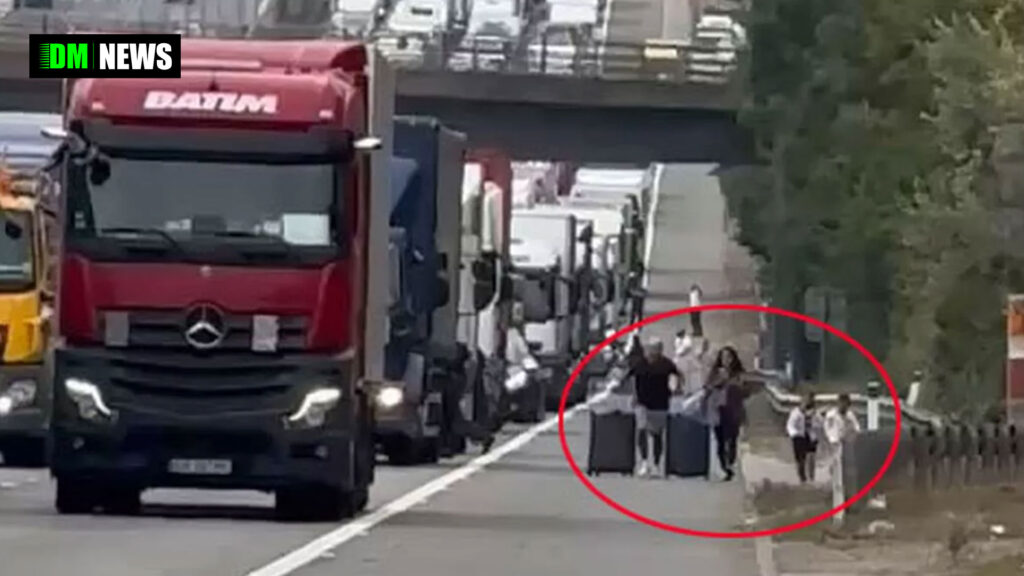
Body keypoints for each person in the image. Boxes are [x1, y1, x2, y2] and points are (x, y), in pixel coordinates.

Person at [629, 338, 682, 478]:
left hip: (660, 403)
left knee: (657, 435)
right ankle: (644, 462)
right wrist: (634, 396)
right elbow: (632, 379)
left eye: (656, 349)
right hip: (642, 403)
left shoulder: (666, 364)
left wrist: (676, 389)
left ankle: (657, 464)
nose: (652, 352)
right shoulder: (640, 364)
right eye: (650, 349)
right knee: (641, 430)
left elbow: (678, 375)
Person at [703, 346, 746, 481]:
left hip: (733, 409)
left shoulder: (738, 373)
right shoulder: (715, 373)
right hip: (718, 409)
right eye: (723, 357)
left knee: (732, 438)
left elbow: (744, 390)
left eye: (729, 357)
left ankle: (731, 461)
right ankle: (725, 467)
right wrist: (719, 381)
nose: (726, 360)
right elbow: (707, 388)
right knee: (720, 440)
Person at [786, 392, 823, 483]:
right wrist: (794, 434)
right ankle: (802, 478)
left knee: (811, 457)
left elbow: (821, 423)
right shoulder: (795, 413)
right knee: (801, 459)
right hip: (799, 437)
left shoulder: (815, 413)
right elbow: (790, 425)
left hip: (811, 436)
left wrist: (815, 425)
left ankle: (811, 477)